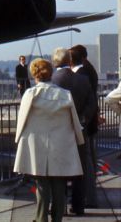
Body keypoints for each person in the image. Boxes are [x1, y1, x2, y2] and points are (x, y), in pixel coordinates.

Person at [14, 58, 84, 222]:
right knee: (59, 184)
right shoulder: (64, 94)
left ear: (34, 74)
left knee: (42, 184)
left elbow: (22, 120)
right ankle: (57, 218)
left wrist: (18, 139)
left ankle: (41, 218)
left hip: (37, 143)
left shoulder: (30, 94)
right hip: (60, 144)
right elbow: (74, 120)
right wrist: (79, 140)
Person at [51, 47, 97, 215]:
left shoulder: (51, 80)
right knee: (79, 170)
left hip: (57, 131)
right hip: (79, 130)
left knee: (58, 170)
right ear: (69, 61)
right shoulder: (83, 80)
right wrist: (81, 120)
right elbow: (92, 105)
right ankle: (78, 207)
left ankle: (59, 206)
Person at [70, 45, 100, 208]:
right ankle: (90, 196)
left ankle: (89, 198)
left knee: (87, 161)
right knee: (90, 161)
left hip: (84, 124)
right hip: (89, 122)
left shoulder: (81, 74)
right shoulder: (90, 70)